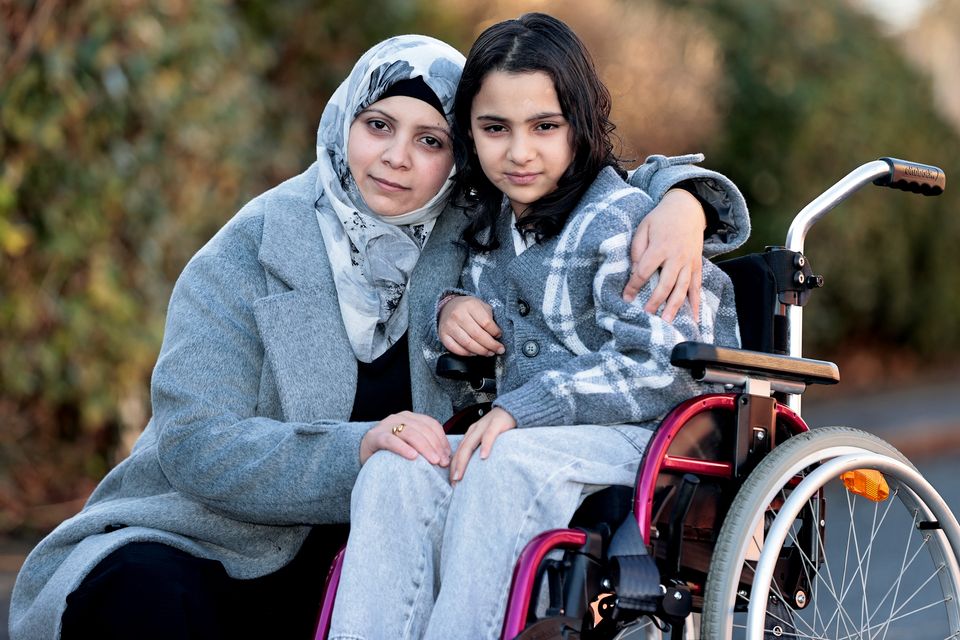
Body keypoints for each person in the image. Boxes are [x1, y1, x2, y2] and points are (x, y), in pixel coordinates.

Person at [8, 33, 743, 640]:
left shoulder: (474, 225)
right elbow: (197, 444)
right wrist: (357, 445)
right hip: (214, 538)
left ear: (456, 157)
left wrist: (683, 201)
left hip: (373, 552)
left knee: (465, 471)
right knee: (147, 603)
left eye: (430, 139)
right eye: (378, 126)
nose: (397, 158)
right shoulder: (252, 250)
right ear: (344, 122)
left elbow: (590, 179)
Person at [327, 14, 745, 640]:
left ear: (580, 124)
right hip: (537, 441)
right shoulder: (491, 227)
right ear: (469, 132)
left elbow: (669, 369)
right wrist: (450, 308)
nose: (519, 152)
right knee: (397, 468)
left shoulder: (624, 224)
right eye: (495, 129)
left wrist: (527, 407)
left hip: (650, 440)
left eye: (545, 127)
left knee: (501, 461)